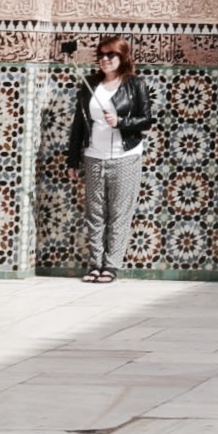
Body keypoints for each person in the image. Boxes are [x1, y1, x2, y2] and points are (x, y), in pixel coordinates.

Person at [63, 34, 156, 283]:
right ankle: (95, 264)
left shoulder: (135, 84)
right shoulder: (91, 84)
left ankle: (111, 266)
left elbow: (146, 120)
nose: (104, 59)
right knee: (95, 213)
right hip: (94, 155)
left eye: (110, 55)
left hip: (126, 156)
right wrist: (73, 160)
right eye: (101, 55)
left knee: (119, 213)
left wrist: (121, 122)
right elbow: (79, 126)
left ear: (122, 57)